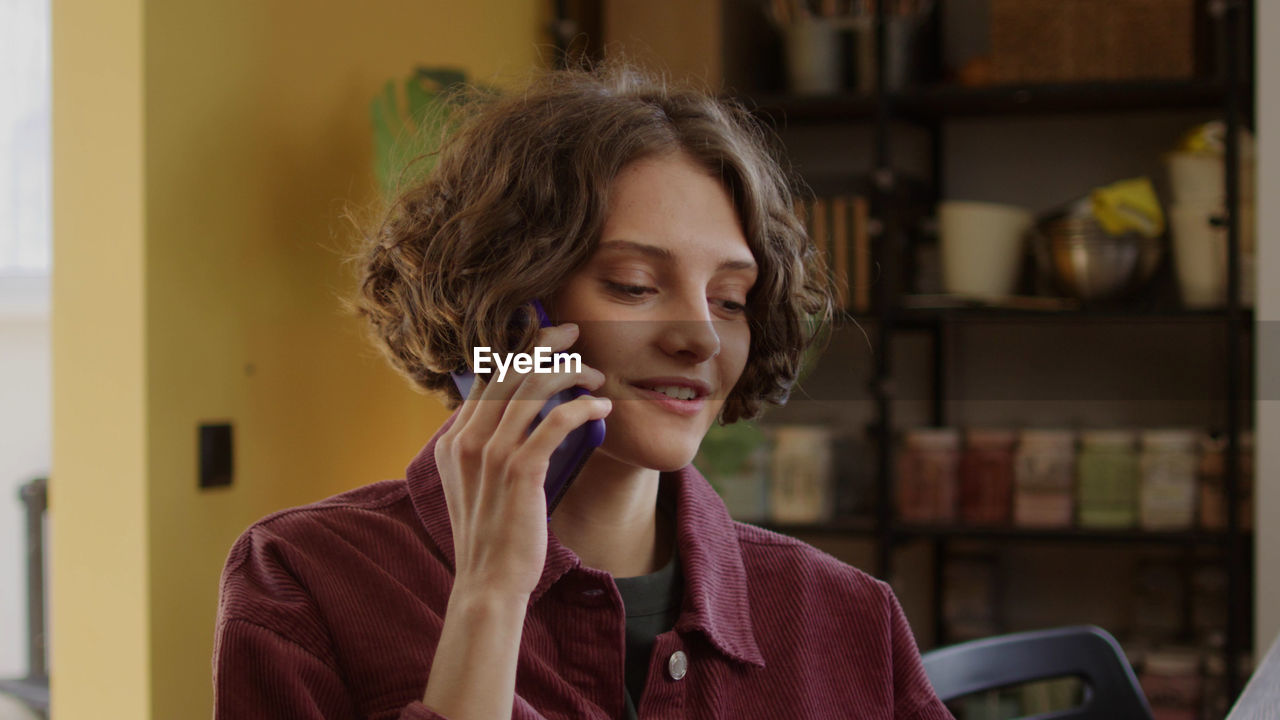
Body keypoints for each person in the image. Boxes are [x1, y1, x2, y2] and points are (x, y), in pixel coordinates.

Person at [213, 65, 953, 720]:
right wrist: (488, 599)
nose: (698, 337)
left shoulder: (848, 614)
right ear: (506, 306)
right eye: (634, 286)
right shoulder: (303, 579)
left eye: (730, 299)